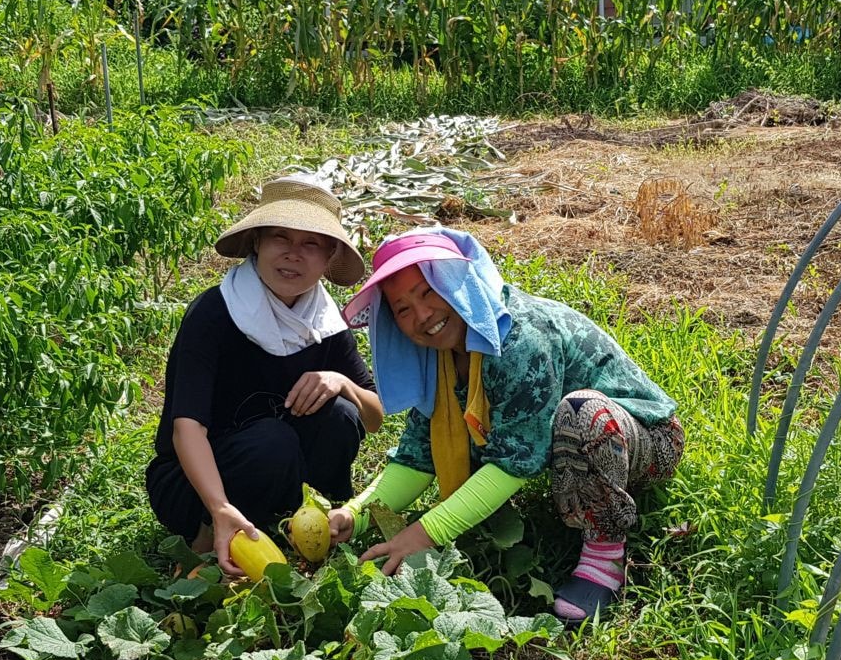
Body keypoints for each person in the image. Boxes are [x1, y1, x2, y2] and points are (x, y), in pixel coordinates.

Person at [331, 227, 683, 623]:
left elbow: (514, 461)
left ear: (457, 281)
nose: (423, 315)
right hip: (565, 442)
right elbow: (418, 456)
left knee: (581, 412)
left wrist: (424, 533)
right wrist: (353, 514)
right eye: (403, 309)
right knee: (564, 420)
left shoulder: (519, 336)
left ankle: (605, 551)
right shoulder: (439, 359)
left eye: (428, 291)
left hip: (644, 440)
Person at [146, 176, 384, 576]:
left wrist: (341, 382)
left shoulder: (325, 322)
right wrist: (219, 508)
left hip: (284, 469)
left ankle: (303, 528)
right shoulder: (214, 314)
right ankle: (206, 543)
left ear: (328, 257)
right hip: (198, 484)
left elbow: (374, 417)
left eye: (311, 243)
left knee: (342, 414)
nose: (293, 255)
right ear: (257, 242)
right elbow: (186, 429)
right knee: (271, 441)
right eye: (280, 238)